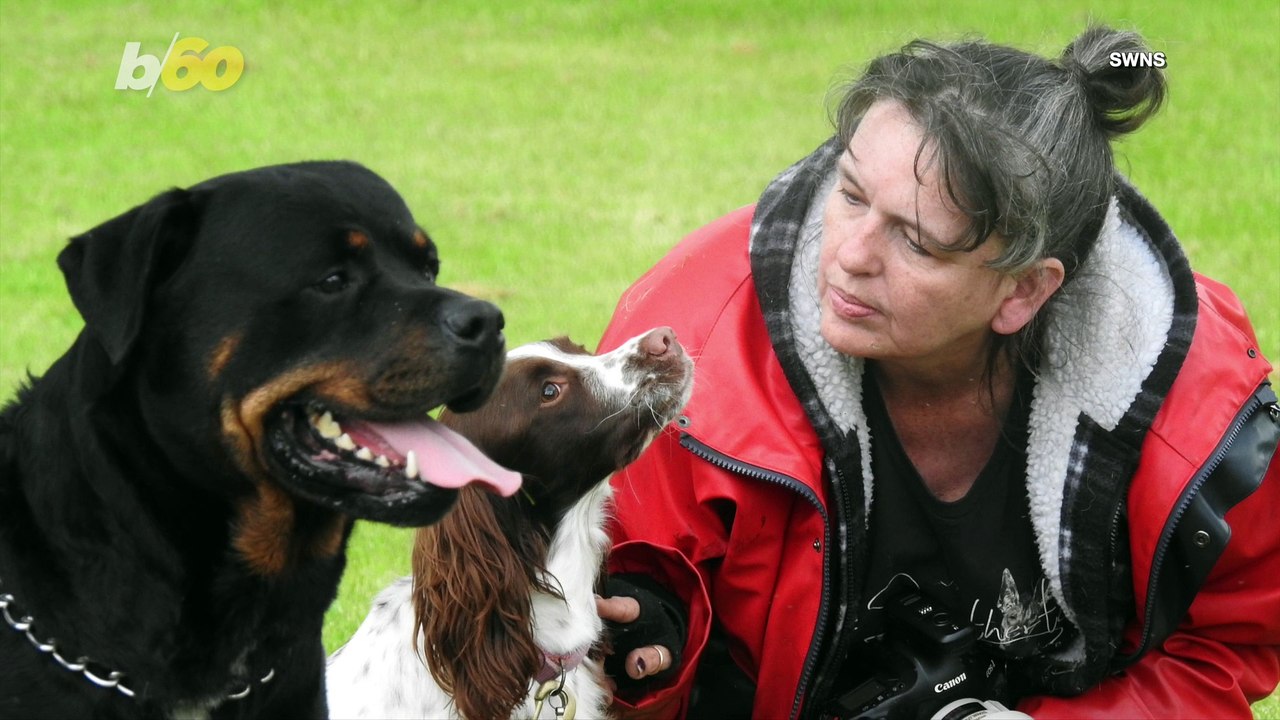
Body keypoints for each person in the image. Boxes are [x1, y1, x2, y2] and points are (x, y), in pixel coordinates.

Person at [593, 24, 1280, 720]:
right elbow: (602, 623)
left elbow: (1219, 647)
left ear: (1023, 292)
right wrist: (650, 654)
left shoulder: (1186, 397)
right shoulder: (689, 358)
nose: (850, 256)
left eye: (917, 241)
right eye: (852, 194)